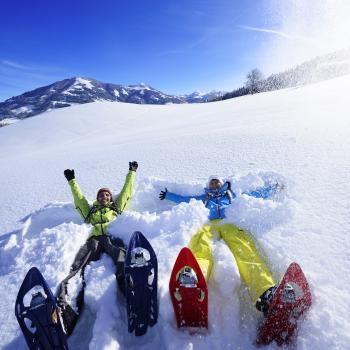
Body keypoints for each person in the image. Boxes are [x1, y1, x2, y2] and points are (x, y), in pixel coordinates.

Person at [159, 176, 277, 315]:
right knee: (201, 246)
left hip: (228, 223)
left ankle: (265, 291)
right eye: (212, 182)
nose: (214, 183)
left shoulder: (230, 195)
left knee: (244, 249)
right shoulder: (204, 198)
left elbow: (252, 196)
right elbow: (185, 200)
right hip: (210, 225)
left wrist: (272, 189)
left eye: (217, 182)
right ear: (209, 186)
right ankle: (194, 281)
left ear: (221, 184)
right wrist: (168, 195)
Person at [57, 161, 138, 335]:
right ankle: (67, 302)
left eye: (107, 195)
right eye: (101, 195)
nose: (105, 197)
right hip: (94, 239)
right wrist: (72, 181)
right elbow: (79, 199)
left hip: (110, 237)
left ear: (110, 198)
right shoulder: (90, 211)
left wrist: (131, 172)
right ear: (97, 198)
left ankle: (130, 289)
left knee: (121, 256)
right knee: (78, 264)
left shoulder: (115, 208)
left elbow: (126, 192)